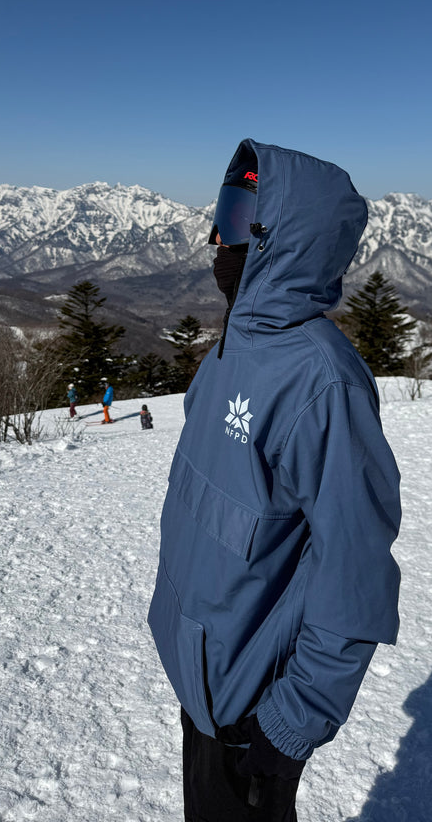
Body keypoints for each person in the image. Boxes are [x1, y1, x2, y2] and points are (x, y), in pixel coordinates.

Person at [148, 138, 402, 821]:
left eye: (235, 222)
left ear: (281, 240)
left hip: (253, 716)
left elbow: (355, 574)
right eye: (221, 214)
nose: (215, 241)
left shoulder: (322, 384)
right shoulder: (231, 349)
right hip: (204, 683)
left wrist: (289, 729)